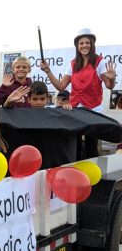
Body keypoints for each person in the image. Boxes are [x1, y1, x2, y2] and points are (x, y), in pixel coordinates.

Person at [40, 28, 116, 156]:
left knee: (92, 146)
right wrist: (48, 71)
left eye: (87, 42)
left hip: (93, 109)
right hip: (75, 109)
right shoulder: (73, 64)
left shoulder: (100, 62)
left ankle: (93, 174)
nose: (84, 45)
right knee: (74, 145)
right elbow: (61, 86)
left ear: (92, 44)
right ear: (77, 46)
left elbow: (109, 86)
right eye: (81, 43)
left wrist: (112, 78)